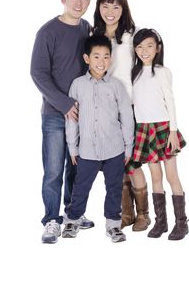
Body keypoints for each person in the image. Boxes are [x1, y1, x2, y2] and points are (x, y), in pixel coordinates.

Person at [30, 0, 94, 244]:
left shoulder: (87, 28)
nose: (78, 3)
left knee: (76, 169)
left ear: (89, 1)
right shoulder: (48, 32)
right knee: (54, 170)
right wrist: (65, 104)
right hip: (56, 115)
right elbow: (38, 74)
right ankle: (51, 221)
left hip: (82, 115)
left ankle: (72, 214)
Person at [64, 35, 134, 243]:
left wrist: (128, 147)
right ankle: (72, 219)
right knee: (81, 186)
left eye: (105, 57)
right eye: (96, 56)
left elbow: (126, 117)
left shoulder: (116, 86)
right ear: (87, 58)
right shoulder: (77, 85)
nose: (101, 61)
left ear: (110, 59)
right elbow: (72, 120)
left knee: (114, 188)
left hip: (114, 149)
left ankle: (113, 225)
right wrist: (72, 147)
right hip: (86, 150)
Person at [92, 0, 150, 232]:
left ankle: (144, 215)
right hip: (105, 110)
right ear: (98, 8)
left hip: (130, 108)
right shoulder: (94, 34)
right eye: (105, 6)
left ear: (123, 9)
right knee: (118, 165)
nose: (110, 12)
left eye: (116, 6)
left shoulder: (131, 35)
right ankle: (126, 214)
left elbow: (146, 65)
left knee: (133, 163)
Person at [127, 28, 189, 240]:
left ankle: (181, 223)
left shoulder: (162, 71)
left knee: (171, 175)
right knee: (155, 176)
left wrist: (173, 131)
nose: (144, 50)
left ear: (158, 48)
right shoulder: (133, 73)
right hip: (144, 129)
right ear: (135, 49)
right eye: (140, 46)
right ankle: (160, 222)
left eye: (149, 46)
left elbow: (170, 101)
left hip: (163, 129)